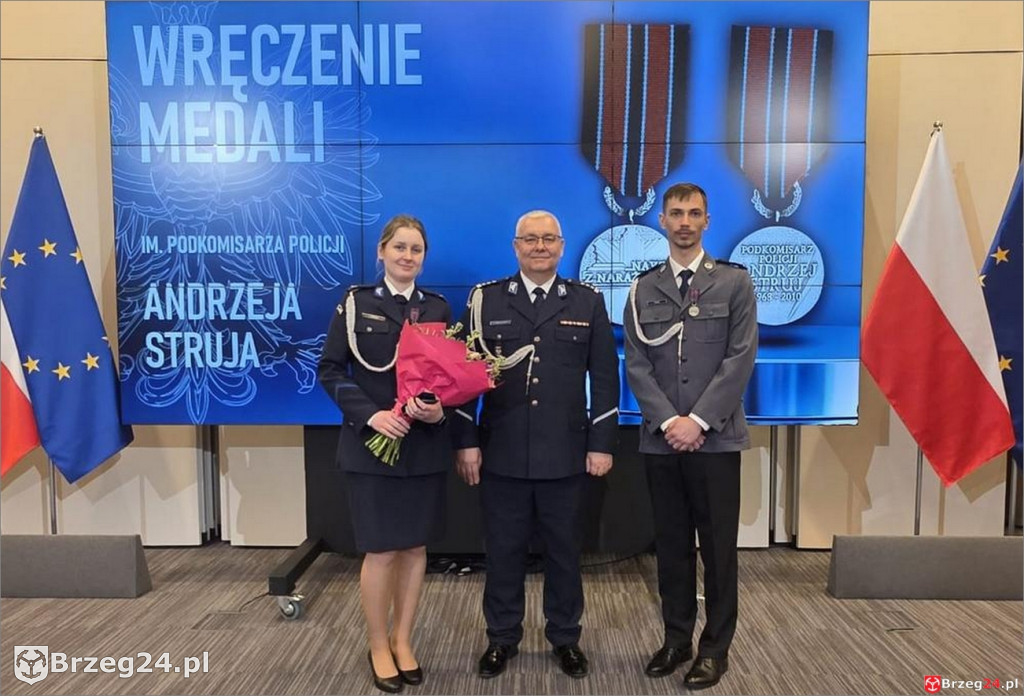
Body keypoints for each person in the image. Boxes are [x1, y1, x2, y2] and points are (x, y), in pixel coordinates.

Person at [451, 210, 619, 680]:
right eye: (530, 239)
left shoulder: (586, 301)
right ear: (516, 246)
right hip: (501, 451)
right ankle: (502, 638)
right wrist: (466, 441)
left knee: (564, 554)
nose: (539, 246)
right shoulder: (485, 300)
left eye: (548, 239)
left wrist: (602, 443)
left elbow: (606, 378)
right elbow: (462, 377)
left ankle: (565, 637)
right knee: (503, 553)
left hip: (566, 454)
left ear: (562, 246)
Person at [622, 183, 758, 690]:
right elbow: (636, 364)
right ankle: (676, 639)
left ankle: (714, 649)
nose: (684, 222)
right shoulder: (642, 288)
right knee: (672, 546)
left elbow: (740, 358)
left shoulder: (734, 283)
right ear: (661, 220)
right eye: (676, 213)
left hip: (715, 439)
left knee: (718, 550)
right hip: (661, 440)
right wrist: (669, 422)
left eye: (694, 213)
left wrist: (697, 421)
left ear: (707, 221)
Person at [318, 215, 452, 694]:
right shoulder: (356, 303)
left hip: (421, 446)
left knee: (414, 547)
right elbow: (330, 370)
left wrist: (437, 410)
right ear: (381, 251)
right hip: (371, 447)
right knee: (380, 550)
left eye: (416, 249)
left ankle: (403, 640)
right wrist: (370, 416)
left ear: (424, 257)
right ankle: (378, 645)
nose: (407, 256)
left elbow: (447, 376)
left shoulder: (437, 308)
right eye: (399, 247)